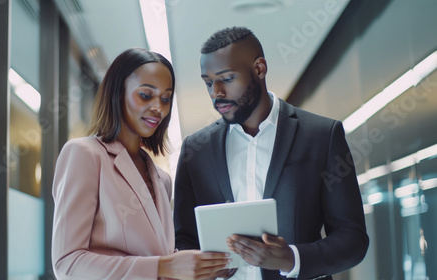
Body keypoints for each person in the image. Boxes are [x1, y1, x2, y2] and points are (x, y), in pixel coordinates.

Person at [173, 27, 369, 280]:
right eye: (209, 82)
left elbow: (352, 239)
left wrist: (292, 259)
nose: (216, 92)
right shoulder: (195, 149)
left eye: (228, 78)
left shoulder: (321, 135)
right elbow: (183, 238)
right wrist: (202, 265)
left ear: (260, 69)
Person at [51, 48, 231, 280]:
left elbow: (157, 255)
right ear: (117, 93)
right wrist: (162, 267)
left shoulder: (161, 179)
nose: (159, 107)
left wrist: (199, 266)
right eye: (146, 95)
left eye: (165, 99)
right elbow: (67, 263)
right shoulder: (84, 154)